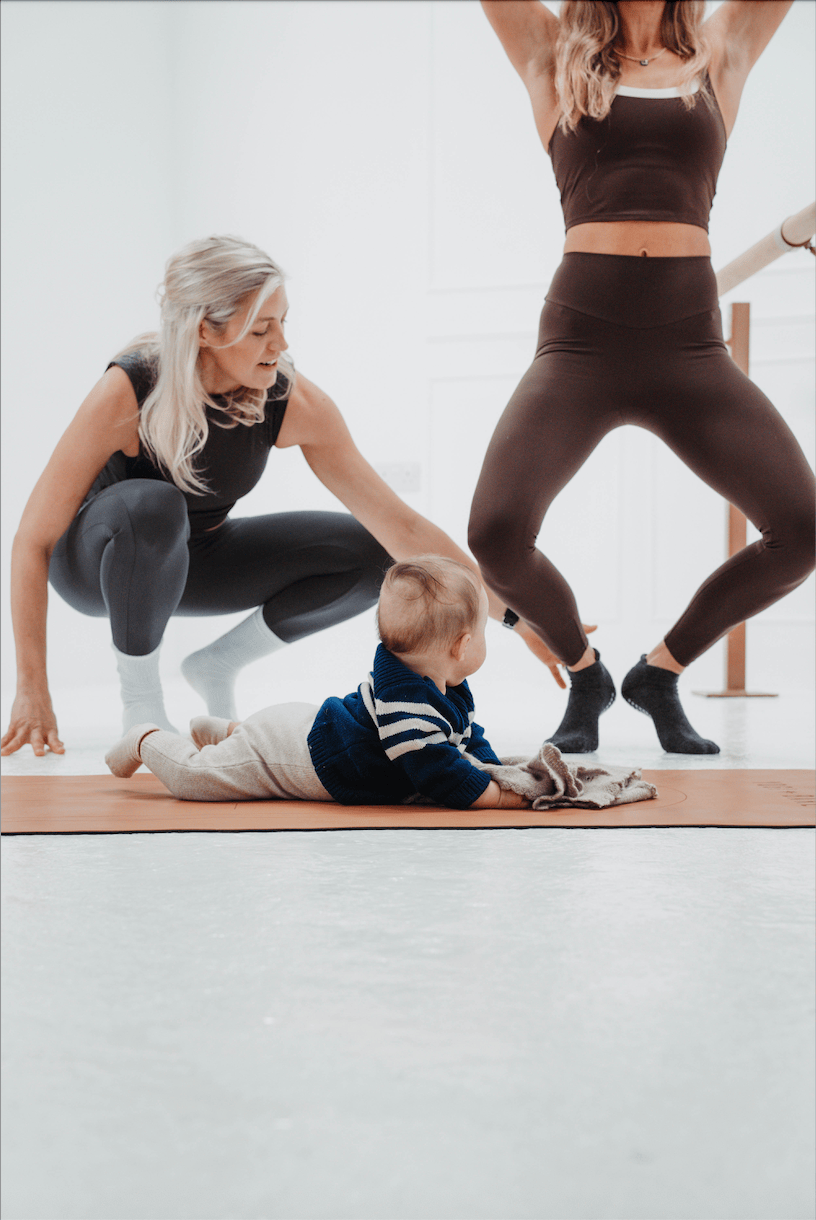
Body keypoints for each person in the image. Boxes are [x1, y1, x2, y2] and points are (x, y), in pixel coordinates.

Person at [2, 235, 585, 759]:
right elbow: (33, 540)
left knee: (377, 556)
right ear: (204, 330)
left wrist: (512, 617)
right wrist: (32, 689)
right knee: (155, 505)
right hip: (95, 566)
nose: (281, 343)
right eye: (261, 329)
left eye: (282, 322)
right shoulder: (130, 389)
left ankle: (219, 663)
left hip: (194, 561)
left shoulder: (288, 398)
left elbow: (400, 527)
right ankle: (142, 706)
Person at [468, 0, 816, 754]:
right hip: (580, 340)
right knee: (495, 534)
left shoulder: (720, 49)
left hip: (689, 343)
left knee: (804, 530)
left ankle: (658, 672)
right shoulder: (555, 51)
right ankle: (586, 672)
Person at [104, 555, 530, 810]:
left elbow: (466, 742)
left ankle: (224, 732)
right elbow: (441, 776)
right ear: (462, 645)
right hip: (288, 755)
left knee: (246, 743)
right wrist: (502, 797)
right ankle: (148, 738)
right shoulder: (408, 707)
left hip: (303, 729)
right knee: (193, 781)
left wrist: (498, 771)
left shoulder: (442, 685)